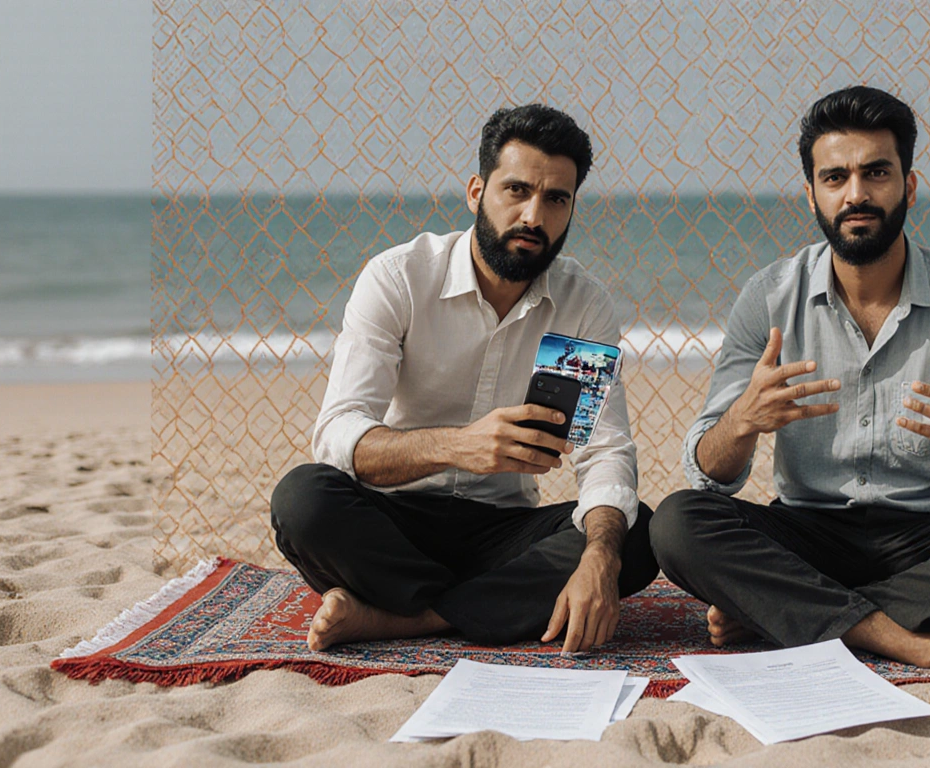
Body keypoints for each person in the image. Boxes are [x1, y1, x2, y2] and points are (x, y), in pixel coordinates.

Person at [651, 86, 930, 688]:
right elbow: (710, 475)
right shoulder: (769, 297)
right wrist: (742, 421)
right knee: (676, 522)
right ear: (812, 194)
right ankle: (915, 645)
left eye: (876, 172)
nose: (856, 194)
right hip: (806, 531)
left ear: (908, 183)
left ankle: (784, 613)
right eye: (836, 177)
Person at [270, 104, 657, 654]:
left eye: (556, 199)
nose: (533, 215)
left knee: (632, 531)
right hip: (393, 522)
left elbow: (605, 450)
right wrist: (460, 446)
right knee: (302, 500)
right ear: (476, 191)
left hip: (502, 532)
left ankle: (409, 618)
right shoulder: (400, 277)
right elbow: (339, 435)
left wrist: (599, 558)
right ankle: (482, 607)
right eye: (516, 191)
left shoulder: (581, 304)